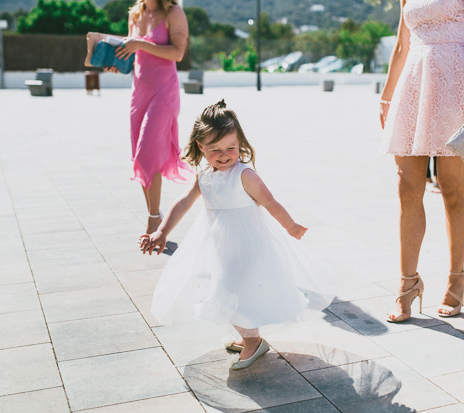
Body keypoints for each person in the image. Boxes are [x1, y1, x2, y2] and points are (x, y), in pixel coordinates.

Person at [139, 101, 336, 370]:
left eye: (231, 148)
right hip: (218, 245)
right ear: (200, 147)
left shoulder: (245, 175)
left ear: (239, 143)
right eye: (214, 150)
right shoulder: (204, 175)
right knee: (222, 290)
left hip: (247, 245)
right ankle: (248, 336)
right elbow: (184, 202)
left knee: (234, 291)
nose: (224, 155)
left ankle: (253, 340)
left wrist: (290, 226)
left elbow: (270, 203)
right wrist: (162, 231)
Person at [379, 0, 464, 322]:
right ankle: (408, 283)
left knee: (452, 187)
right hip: (414, 83)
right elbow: (402, 44)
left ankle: (457, 277)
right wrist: (387, 96)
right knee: (406, 187)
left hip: (456, 82)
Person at [107, 0, 192, 234]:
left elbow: (177, 53)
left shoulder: (173, 12)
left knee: (147, 153)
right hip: (139, 92)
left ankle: (154, 218)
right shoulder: (135, 14)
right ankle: (154, 214)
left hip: (164, 92)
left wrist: (139, 44)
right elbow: (134, 53)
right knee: (140, 156)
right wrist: (117, 61)